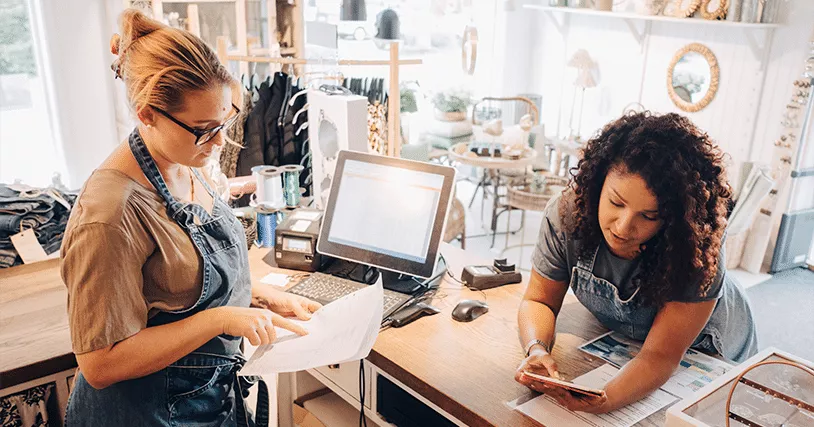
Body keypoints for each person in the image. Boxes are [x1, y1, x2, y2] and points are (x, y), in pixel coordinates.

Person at [60, 9, 320, 426]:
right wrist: (219, 319)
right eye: (204, 129)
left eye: (225, 121)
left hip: (208, 400)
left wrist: (255, 298)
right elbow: (100, 364)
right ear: (147, 113)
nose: (219, 142)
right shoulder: (111, 214)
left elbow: (173, 285)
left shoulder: (184, 161)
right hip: (145, 415)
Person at [515, 112, 758, 414]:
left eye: (649, 216)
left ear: (673, 218)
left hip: (711, 348)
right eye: (616, 203)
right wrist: (536, 348)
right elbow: (539, 300)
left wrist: (608, 398)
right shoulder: (567, 215)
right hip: (634, 342)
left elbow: (660, 356)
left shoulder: (694, 246)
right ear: (597, 184)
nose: (623, 227)